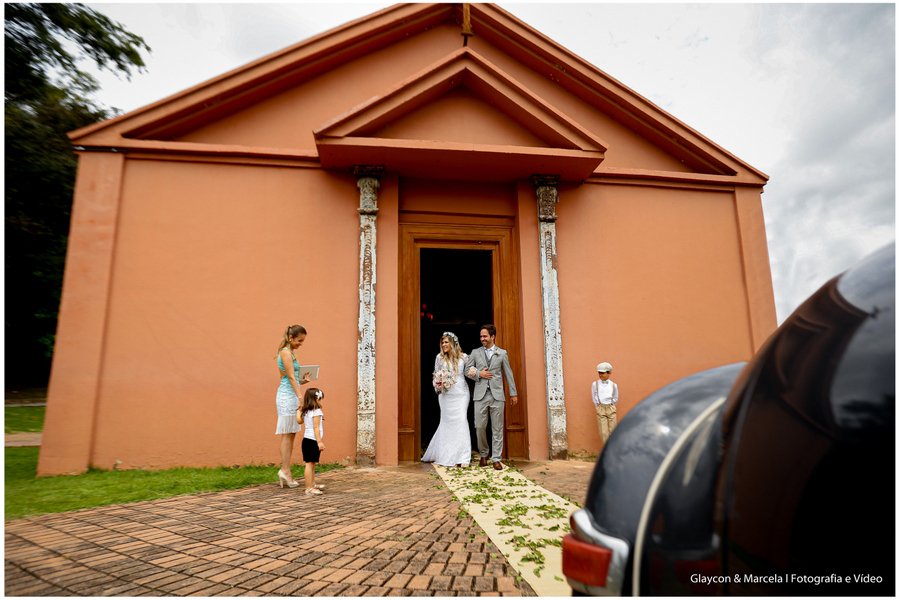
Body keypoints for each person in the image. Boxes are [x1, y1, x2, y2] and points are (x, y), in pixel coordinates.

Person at [465, 324, 517, 470]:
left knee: (497, 427)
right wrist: (478, 374)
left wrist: (513, 393)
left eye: (485, 336)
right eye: (481, 336)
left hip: (497, 395)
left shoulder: (502, 353)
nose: (482, 339)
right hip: (480, 395)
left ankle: (496, 458)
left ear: (492, 337)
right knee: (479, 426)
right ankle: (483, 454)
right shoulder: (475, 352)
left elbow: (509, 373)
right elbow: (466, 370)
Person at [421, 332, 472, 468]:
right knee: (447, 423)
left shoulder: (464, 357)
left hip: (461, 394)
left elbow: (472, 371)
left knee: (461, 421)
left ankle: (463, 458)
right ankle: (449, 455)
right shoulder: (439, 358)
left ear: (453, 343)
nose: (444, 345)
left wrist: (479, 373)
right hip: (445, 396)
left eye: (446, 342)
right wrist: (438, 382)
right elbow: (436, 375)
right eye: (442, 343)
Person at [275, 325, 312, 488]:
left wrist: (303, 381)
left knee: (291, 434)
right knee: (286, 434)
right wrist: (299, 397)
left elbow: (291, 378)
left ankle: (286, 471)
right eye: (299, 340)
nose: (301, 344)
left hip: (290, 393)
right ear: (291, 338)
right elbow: (289, 377)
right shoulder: (285, 352)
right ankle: (285, 470)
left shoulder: (291, 353)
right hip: (287, 396)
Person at [297, 387, 326, 495]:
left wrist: (298, 410)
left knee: (312, 464)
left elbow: (299, 421)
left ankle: (312, 484)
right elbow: (316, 427)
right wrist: (319, 441)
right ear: (317, 399)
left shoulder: (306, 411)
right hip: (313, 441)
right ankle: (309, 488)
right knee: (309, 464)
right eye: (322, 398)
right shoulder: (317, 411)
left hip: (307, 440)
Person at [592, 362, 618, 444]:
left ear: (609, 373)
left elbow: (615, 398)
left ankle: (613, 451)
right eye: (599, 373)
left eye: (603, 373)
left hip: (610, 407)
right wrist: (599, 406)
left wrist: (611, 405)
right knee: (603, 433)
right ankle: (606, 451)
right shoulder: (595, 384)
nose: (600, 375)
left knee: (613, 431)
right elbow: (594, 397)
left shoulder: (614, 385)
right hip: (601, 408)